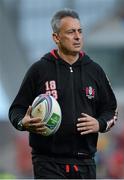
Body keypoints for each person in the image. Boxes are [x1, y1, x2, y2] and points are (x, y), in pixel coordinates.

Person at [9, 8, 118, 179]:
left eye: (79, 31)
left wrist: (100, 124)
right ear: (56, 37)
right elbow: (16, 109)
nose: (77, 36)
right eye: (70, 32)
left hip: (85, 163)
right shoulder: (39, 70)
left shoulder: (95, 71)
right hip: (48, 163)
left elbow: (111, 110)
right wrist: (23, 122)